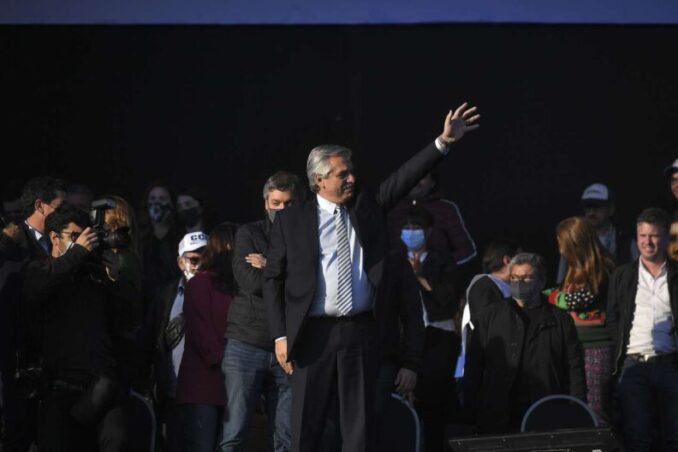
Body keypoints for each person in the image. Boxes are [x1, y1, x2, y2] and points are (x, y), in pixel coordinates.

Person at [264, 102, 480, 452]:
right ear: (319, 180)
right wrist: (279, 335)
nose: (351, 178)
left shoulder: (366, 207)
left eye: (351, 171)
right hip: (311, 335)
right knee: (306, 428)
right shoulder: (292, 221)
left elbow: (403, 177)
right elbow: (272, 278)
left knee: (359, 430)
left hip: (360, 333)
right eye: (342, 174)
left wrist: (443, 142)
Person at [22, 205, 133, 451]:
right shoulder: (39, 270)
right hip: (60, 390)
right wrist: (77, 254)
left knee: (119, 442)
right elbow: (36, 288)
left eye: (85, 238)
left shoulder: (95, 276)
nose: (83, 245)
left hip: (102, 388)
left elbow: (126, 319)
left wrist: (115, 278)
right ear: (53, 238)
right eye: (74, 237)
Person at [220, 171, 304, 452]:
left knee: (287, 438)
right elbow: (251, 282)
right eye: (276, 203)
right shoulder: (248, 233)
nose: (281, 209)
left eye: (288, 204)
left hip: (290, 347)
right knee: (235, 433)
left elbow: (310, 286)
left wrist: (269, 265)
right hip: (247, 343)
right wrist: (289, 274)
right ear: (265, 202)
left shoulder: (308, 238)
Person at [463, 252, 586, 434]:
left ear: (542, 282)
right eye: (514, 277)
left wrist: (576, 407)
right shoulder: (490, 317)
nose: (520, 283)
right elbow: (474, 365)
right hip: (499, 412)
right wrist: (471, 408)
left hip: (544, 410)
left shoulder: (560, 320)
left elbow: (574, 368)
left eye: (527, 278)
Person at [0, 176, 65, 452]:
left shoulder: (56, 243)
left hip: (49, 359)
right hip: (16, 359)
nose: (64, 216)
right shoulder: (13, 242)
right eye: (58, 208)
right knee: (19, 433)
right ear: (40, 206)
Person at [607, 208, 678, 451]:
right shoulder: (622, 276)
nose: (648, 242)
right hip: (633, 365)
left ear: (666, 237)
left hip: (670, 364)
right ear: (636, 238)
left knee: (674, 437)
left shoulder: (676, 274)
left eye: (654, 236)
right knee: (637, 438)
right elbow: (613, 318)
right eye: (642, 236)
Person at [400, 205, 460, 452]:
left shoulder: (442, 260)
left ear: (429, 231)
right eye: (407, 228)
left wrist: (420, 275)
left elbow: (448, 299)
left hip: (438, 335)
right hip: (406, 337)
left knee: (434, 399)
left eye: (417, 228)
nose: (411, 233)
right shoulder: (394, 259)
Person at [546, 217, 616, 424]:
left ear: (575, 243)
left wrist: (548, 295)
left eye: (562, 244)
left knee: (596, 407)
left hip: (596, 347)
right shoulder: (573, 268)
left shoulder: (603, 267)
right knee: (578, 405)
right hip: (576, 345)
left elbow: (576, 299)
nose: (560, 251)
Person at [145, 231, 208, 452]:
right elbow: (152, 338)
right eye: (193, 259)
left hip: (208, 393)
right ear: (181, 262)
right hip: (172, 393)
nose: (199, 264)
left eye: (205, 258)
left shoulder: (224, 293)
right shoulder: (165, 295)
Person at [175, 222, 236, 452]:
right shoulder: (200, 284)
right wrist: (234, 363)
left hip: (229, 386)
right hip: (202, 386)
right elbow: (203, 334)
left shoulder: (234, 285)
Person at [455, 239, 519, 380]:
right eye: (521, 261)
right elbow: (486, 327)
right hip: (481, 372)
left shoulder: (502, 287)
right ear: (507, 260)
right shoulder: (485, 286)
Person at [387, 170, 477, 268]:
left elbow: (467, 250)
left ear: (432, 183)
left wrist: (441, 267)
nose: (416, 181)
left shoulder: (445, 209)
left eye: (422, 176)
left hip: (437, 279)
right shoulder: (392, 209)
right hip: (397, 277)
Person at [556, 183, 636, 283]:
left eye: (598, 206)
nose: (592, 211)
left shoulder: (626, 243)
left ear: (611, 209)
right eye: (588, 207)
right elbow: (561, 281)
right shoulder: (573, 242)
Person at [138, 181, 183, 308]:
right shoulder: (140, 236)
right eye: (152, 198)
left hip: (173, 300)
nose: (156, 203)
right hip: (145, 302)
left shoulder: (180, 237)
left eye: (162, 198)